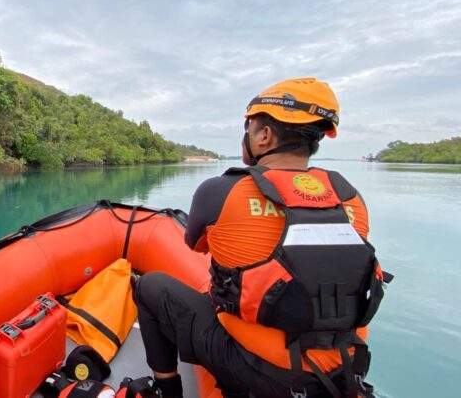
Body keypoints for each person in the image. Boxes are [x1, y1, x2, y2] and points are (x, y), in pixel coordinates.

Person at [133, 78, 390, 397]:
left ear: (264, 135)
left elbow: (196, 246)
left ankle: (166, 390)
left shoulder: (220, 191)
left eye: (249, 127)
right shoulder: (351, 198)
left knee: (148, 286)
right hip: (345, 368)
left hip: (259, 370)